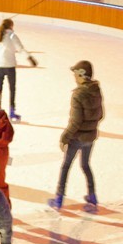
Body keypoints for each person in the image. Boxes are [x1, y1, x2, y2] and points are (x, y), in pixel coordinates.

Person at [50, 60, 104, 211]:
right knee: (85, 165)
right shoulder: (96, 90)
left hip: (77, 138)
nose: (74, 76)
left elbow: (75, 121)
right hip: (90, 137)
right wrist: (90, 126)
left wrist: (65, 137)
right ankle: (92, 197)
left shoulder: (78, 94)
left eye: (75, 73)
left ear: (81, 74)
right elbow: (100, 114)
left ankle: (58, 199)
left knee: (66, 166)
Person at [0, 17, 36, 120]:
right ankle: (12, 112)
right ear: (11, 26)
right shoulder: (12, 35)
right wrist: (29, 57)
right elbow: (21, 48)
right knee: (12, 89)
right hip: (10, 66)